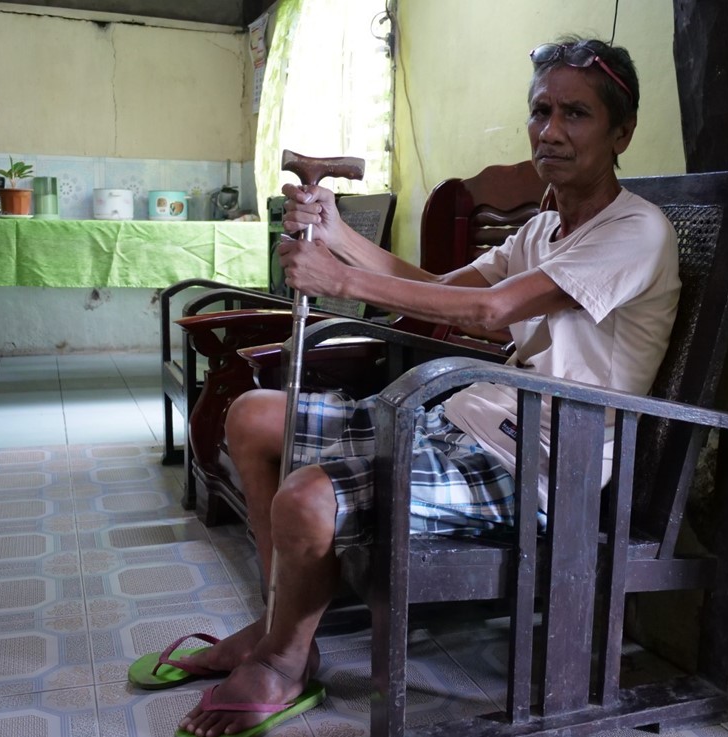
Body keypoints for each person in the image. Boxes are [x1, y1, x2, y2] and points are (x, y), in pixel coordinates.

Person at [170, 35, 680, 737]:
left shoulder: (636, 231)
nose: (551, 132)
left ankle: (285, 660)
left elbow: (490, 311)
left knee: (307, 499)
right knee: (253, 415)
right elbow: (437, 290)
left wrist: (340, 278)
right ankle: (280, 620)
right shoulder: (542, 230)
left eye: (576, 114)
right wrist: (337, 233)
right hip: (466, 418)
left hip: (537, 464)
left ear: (621, 133)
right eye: (541, 111)